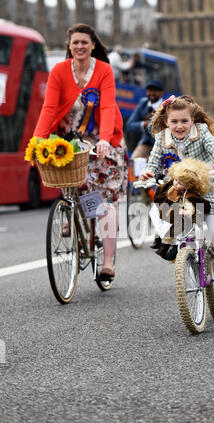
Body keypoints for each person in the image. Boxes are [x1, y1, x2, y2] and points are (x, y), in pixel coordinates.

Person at [34, 23, 128, 281]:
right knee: (71, 179)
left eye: (84, 42)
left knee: (102, 203)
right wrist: (37, 141)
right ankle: (71, 210)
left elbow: (108, 107)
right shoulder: (59, 71)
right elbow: (49, 108)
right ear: (69, 46)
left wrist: (105, 139)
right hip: (71, 142)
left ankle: (108, 262)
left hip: (101, 142)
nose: (79, 47)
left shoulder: (104, 71)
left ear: (93, 45)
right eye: (75, 43)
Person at [140, 95, 214, 305]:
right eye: (174, 121)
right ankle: (173, 245)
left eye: (184, 121)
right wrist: (148, 173)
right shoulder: (162, 138)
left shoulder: (201, 132)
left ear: (193, 120)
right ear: (167, 122)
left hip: (209, 189)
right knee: (165, 212)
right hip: (181, 192)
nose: (180, 126)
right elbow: (152, 162)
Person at [152, 158, 212, 261]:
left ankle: (171, 247)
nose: (175, 184)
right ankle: (161, 243)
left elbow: (190, 206)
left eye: (180, 183)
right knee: (163, 225)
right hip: (173, 214)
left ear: (189, 185)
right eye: (175, 180)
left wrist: (186, 212)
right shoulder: (172, 189)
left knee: (178, 230)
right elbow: (164, 192)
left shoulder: (189, 195)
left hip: (185, 216)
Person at [126, 80, 165, 161]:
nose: (152, 93)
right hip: (145, 143)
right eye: (149, 90)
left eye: (155, 90)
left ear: (162, 92)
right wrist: (144, 124)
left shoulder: (166, 106)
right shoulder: (143, 103)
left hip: (162, 145)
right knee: (134, 161)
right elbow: (129, 125)